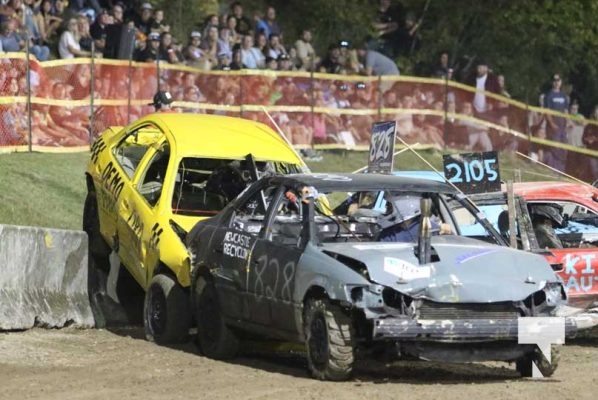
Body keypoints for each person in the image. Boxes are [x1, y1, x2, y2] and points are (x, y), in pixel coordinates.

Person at [377, 194, 450, 242]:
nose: (386, 209)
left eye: (389, 206)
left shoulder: (431, 228)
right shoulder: (389, 233)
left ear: (403, 207)